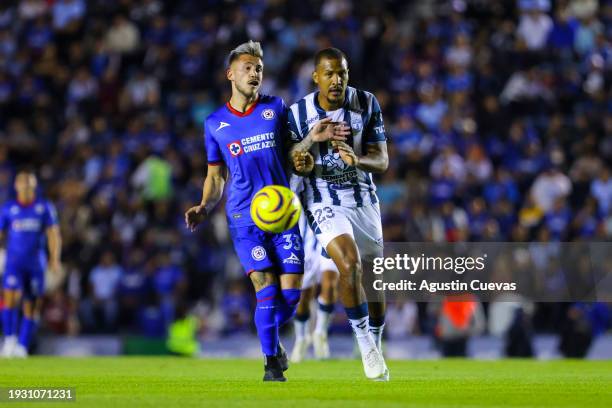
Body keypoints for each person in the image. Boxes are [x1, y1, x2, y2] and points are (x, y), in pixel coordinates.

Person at [184, 41, 338, 382]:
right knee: (264, 288)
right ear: (230, 74)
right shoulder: (215, 124)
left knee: (292, 296)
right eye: (248, 68)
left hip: (283, 214)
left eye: (259, 69)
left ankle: (273, 343)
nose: (255, 73)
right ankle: (271, 362)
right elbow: (215, 175)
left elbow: (292, 154)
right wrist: (205, 206)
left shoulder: (276, 109)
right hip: (244, 218)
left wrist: (312, 139)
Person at [288, 47, 389, 380]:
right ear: (316, 76)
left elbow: (382, 160)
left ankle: (375, 340)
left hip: (363, 201)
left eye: (342, 73)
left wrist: (357, 160)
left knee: (373, 279)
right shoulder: (298, 112)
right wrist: (306, 146)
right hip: (323, 202)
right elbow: (290, 158)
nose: (336, 80)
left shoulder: (366, 103)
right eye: (329, 73)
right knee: (349, 263)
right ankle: (364, 347)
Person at [1, 169, 61, 357]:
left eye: (30, 183)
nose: (26, 186)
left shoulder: (44, 207)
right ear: (16, 185)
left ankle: (22, 346)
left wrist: (54, 258)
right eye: (23, 182)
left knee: (32, 304)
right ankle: (9, 340)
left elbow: (53, 234)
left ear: (35, 185)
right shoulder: (8, 209)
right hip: (14, 262)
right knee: (9, 298)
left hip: (36, 263)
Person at [290, 175, 339, 362]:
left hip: (331, 236)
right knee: (303, 297)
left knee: (330, 283)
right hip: (306, 241)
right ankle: (301, 338)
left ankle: (320, 333)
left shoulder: (332, 166)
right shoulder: (299, 173)